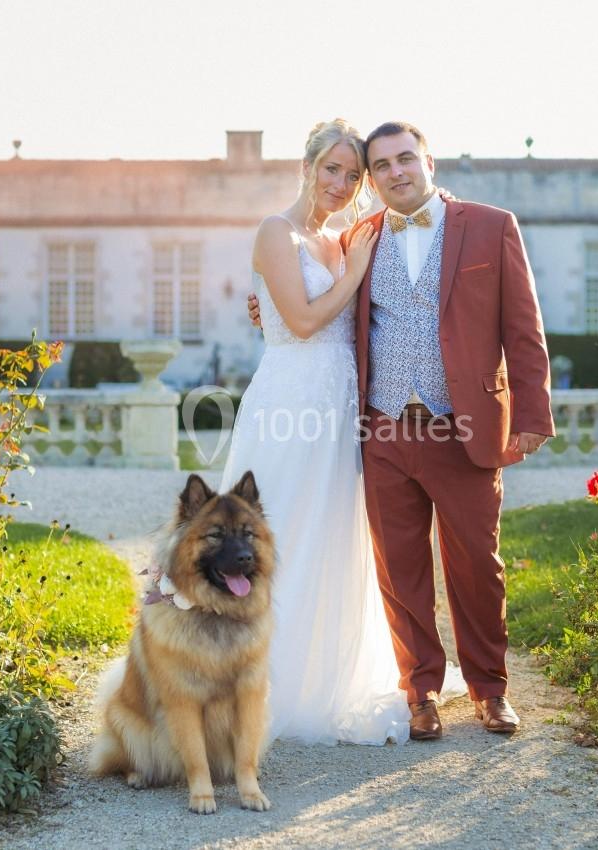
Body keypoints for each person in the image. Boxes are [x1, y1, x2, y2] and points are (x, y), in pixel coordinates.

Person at [249, 121, 554, 740]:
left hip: (461, 424)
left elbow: (524, 328)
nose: (393, 173)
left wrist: (531, 414)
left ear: (428, 161)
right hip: (382, 429)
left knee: (477, 565)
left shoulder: (491, 226)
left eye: (402, 160)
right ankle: (421, 692)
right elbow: (306, 300)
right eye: (379, 166)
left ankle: (490, 690)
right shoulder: (358, 234)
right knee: (399, 568)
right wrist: (263, 303)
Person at [220, 118, 437, 745]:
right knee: (280, 525)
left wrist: (354, 262)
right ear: (308, 165)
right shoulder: (276, 232)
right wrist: (352, 269)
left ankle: (327, 674)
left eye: (352, 174)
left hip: (342, 401)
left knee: (336, 529)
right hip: (290, 400)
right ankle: (258, 678)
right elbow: (306, 320)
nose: (341, 184)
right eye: (331, 170)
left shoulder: (343, 240)